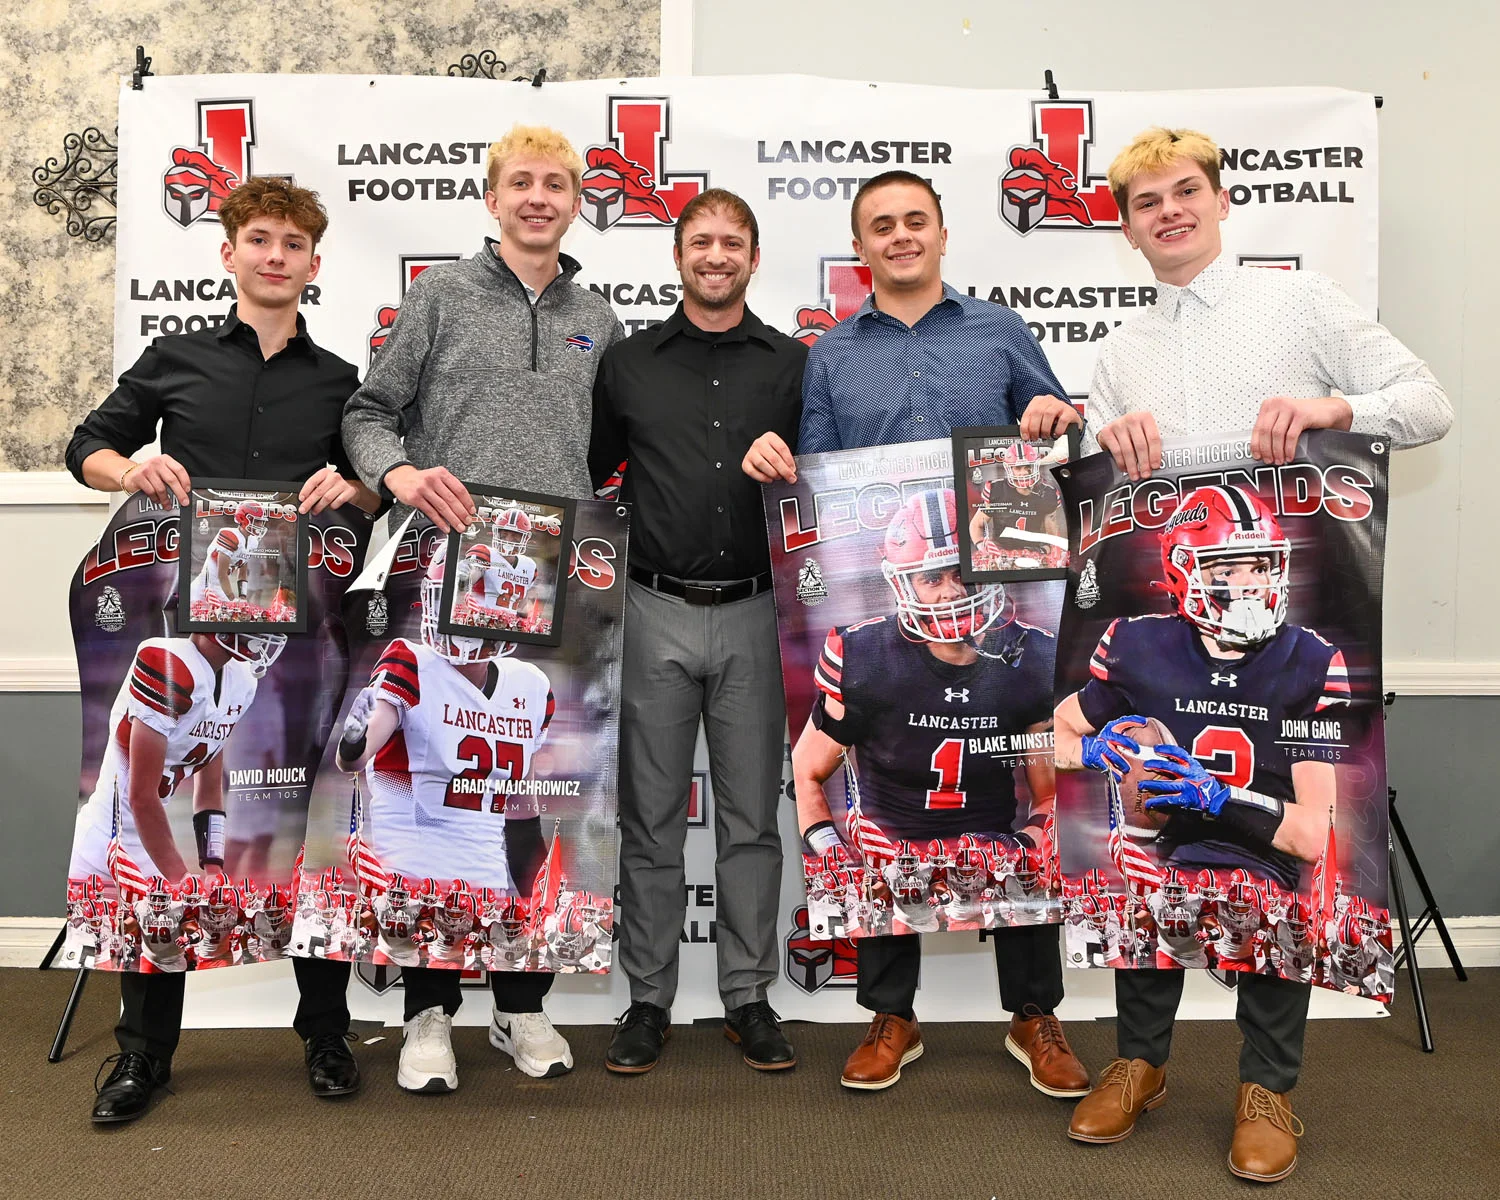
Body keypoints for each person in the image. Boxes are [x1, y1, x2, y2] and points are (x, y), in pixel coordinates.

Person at [1058, 126, 1451, 1184]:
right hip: (1162, 626)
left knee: (1269, 836)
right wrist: (1089, 435)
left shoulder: (1300, 303)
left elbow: (1429, 404)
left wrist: (1337, 406)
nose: (1169, 211)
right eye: (1146, 201)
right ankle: (1139, 1058)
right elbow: (1083, 492)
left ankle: (1267, 1079)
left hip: (1281, 622)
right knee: (1145, 812)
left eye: (1186, 191)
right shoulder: (1120, 350)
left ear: (1222, 202)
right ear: (1126, 224)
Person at [747, 169, 1089, 1097]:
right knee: (884, 790)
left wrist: (1056, 413)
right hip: (890, 576)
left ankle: (1034, 1011)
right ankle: (893, 1014)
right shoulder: (830, 353)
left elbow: (1056, 429)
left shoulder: (998, 329)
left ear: (941, 233)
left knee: (1022, 793)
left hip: (1002, 587)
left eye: (914, 222)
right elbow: (812, 473)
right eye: (879, 227)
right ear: (859, 250)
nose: (899, 238)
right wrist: (775, 460)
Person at [64, 176, 378, 1123]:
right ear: (230, 252)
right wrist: (134, 466)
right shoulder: (174, 357)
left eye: (293, 244)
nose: (276, 255)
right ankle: (143, 1054)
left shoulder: (342, 385)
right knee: (157, 808)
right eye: (261, 239)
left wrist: (353, 494)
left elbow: (381, 494)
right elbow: (86, 448)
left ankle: (325, 1030)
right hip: (188, 635)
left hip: (303, 649)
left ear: (314, 267)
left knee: (309, 830)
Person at [342, 123, 623, 1093]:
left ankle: (521, 1006)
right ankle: (427, 1011)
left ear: (577, 199)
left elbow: (619, 452)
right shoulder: (440, 296)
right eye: (521, 184)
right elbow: (366, 414)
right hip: (447, 575)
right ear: (492, 198)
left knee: (534, 793)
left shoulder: (600, 316)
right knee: (438, 789)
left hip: (557, 597)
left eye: (556, 183)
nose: (538, 197)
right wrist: (405, 473)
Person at [589, 189, 804, 1074]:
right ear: (679, 255)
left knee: (753, 820)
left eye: (733, 243)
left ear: (754, 257)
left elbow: (822, 481)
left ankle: (748, 996)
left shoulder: (794, 364)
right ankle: (648, 999)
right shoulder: (627, 362)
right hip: (652, 607)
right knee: (651, 818)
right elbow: (596, 473)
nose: (716, 256)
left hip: (758, 610)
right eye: (701, 242)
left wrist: (790, 472)